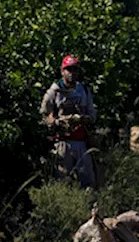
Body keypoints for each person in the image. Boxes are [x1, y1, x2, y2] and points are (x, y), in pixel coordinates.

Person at [40, 55, 98, 189]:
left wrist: (84, 119)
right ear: (62, 71)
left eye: (74, 70)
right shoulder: (53, 92)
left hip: (82, 143)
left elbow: (92, 114)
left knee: (88, 182)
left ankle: (90, 208)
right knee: (62, 182)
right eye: (68, 69)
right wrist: (58, 122)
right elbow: (44, 116)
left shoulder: (84, 90)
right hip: (61, 143)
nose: (72, 73)